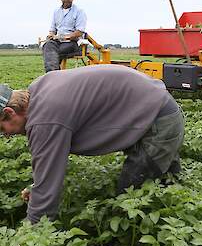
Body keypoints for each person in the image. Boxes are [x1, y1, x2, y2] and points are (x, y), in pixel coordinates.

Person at [0, 65, 185, 224]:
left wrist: (31, 235)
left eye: (2, 128)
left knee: (129, 199)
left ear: (10, 111)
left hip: (158, 121)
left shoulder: (45, 121)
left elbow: (46, 191)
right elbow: (50, 163)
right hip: (154, 107)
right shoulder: (39, 91)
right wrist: (37, 186)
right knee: (168, 184)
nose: (5, 135)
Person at [42, 0, 87, 72]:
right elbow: (52, 29)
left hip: (72, 43)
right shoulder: (56, 12)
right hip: (57, 42)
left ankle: (52, 75)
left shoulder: (79, 11)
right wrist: (51, 35)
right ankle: (54, 74)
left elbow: (79, 32)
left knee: (52, 53)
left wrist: (62, 37)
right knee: (47, 45)